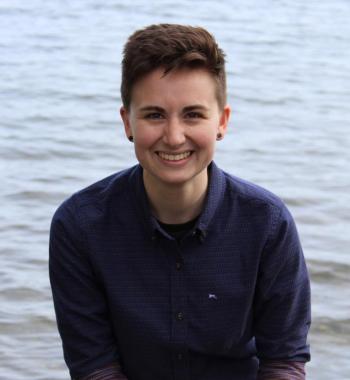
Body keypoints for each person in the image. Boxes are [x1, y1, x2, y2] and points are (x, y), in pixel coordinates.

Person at [49, 24, 311, 380]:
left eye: (193, 114)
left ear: (222, 121)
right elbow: (95, 367)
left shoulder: (267, 223)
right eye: (154, 114)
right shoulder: (79, 226)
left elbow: (283, 361)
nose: (173, 137)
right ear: (128, 122)